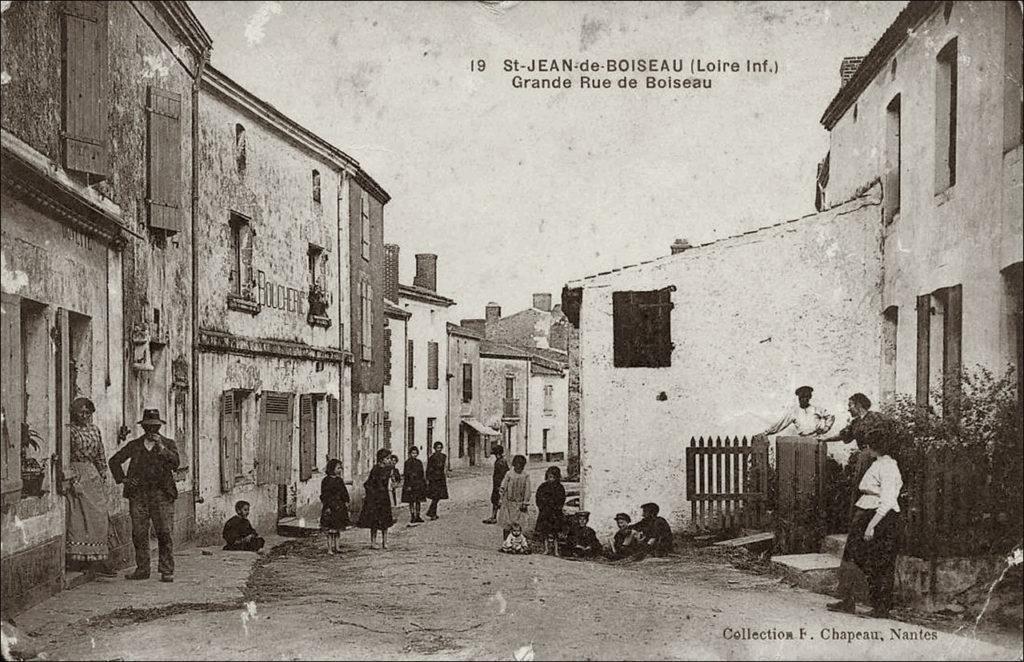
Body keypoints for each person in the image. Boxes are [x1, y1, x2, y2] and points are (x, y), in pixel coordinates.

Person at [827, 427, 902, 617]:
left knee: (879, 561)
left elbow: (888, 500)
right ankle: (847, 599)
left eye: (868, 445)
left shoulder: (888, 467)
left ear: (873, 446)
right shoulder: (878, 464)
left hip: (879, 517)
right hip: (866, 513)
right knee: (852, 557)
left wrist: (871, 525)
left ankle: (881, 607)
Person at [109, 408, 180, 582]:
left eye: (155, 427)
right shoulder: (135, 445)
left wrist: (162, 448)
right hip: (139, 495)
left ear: (159, 427)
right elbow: (114, 461)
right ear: (143, 427)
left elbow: (176, 463)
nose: (151, 431)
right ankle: (142, 569)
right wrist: (124, 480)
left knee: (164, 532)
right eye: (148, 427)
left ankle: (166, 570)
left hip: (161, 494)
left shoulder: (168, 444)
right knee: (139, 533)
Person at [820, 393, 894, 517]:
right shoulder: (856, 423)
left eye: (850, 405)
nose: (848, 409)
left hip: (877, 458)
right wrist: (824, 439)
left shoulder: (877, 418)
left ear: (858, 404)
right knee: (861, 488)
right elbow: (843, 435)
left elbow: (889, 433)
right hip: (864, 459)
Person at [66, 397, 115, 576]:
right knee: (79, 518)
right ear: (74, 413)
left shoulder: (95, 430)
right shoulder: (70, 431)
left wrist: (103, 473)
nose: (84, 416)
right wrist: (72, 480)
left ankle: (99, 558)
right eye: (81, 412)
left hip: (92, 474)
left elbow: (100, 453)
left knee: (100, 515)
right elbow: (67, 457)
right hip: (77, 474)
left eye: (88, 412)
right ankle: (79, 559)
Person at [356, 449, 395, 549]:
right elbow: (369, 484)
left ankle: (385, 542)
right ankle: (373, 542)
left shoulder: (388, 469)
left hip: (384, 498)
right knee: (374, 522)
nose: (389, 460)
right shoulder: (375, 470)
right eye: (387, 458)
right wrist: (372, 495)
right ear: (381, 459)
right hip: (376, 499)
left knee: (385, 522)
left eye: (389, 458)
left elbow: (392, 482)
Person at [762, 385, 835, 437]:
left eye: (806, 397)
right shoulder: (794, 412)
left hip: (817, 438)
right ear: (798, 398)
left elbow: (831, 416)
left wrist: (826, 427)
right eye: (801, 398)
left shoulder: (816, 409)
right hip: (802, 440)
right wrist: (766, 432)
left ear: (809, 398)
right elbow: (780, 424)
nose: (803, 400)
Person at [320, 459, 350, 554]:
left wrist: (346, 501)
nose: (340, 470)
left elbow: (344, 492)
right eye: (338, 468)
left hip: (339, 507)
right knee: (330, 530)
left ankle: (337, 547)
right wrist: (327, 506)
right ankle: (329, 549)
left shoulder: (339, 480)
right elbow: (324, 494)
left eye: (340, 468)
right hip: (330, 507)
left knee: (337, 529)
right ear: (332, 468)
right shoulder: (326, 481)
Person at [497, 455, 531, 540]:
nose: (518, 468)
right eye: (517, 465)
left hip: (519, 503)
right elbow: (503, 486)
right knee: (507, 523)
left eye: (521, 466)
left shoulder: (525, 475)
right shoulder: (509, 474)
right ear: (514, 465)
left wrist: (525, 502)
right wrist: (501, 498)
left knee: (519, 523)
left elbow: (527, 490)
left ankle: (517, 543)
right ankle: (506, 542)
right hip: (508, 502)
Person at [534, 466, 566, 556]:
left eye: (553, 477)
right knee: (545, 532)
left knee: (555, 532)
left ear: (557, 477)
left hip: (555, 513)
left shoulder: (560, 487)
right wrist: (541, 507)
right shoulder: (543, 487)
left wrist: (558, 507)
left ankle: (556, 550)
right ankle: (546, 549)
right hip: (545, 512)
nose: (551, 479)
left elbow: (562, 499)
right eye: (549, 477)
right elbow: (538, 497)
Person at [483, 443, 510, 524]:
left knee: (497, 500)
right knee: (496, 500)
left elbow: (503, 474)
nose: (495, 455)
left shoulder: (500, 462)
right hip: (498, 484)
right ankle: (495, 516)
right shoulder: (502, 461)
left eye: (495, 454)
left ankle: (495, 517)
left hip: (499, 484)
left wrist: (500, 485)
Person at [401, 446, 426, 525]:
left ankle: (418, 515)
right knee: (411, 501)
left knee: (418, 501)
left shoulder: (419, 462)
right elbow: (406, 474)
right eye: (412, 453)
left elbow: (421, 473)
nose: (414, 455)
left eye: (415, 453)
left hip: (418, 484)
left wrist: (423, 483)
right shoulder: (407, 463)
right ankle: (412, 516)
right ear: (410, 454)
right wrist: (408, 485)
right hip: (410, 484)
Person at [425, 442, 449, 520]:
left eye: (440, 448)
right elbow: (428, 469)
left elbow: (445, 467)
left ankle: (432, 512)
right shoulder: (432, 458)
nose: (439, 449)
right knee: (435, 496)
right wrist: (428, 479)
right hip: (434, 479)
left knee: (438, 496)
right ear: (434, 448)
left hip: (441, 478)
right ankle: (432, 513)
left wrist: (445, 475)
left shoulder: (443, 456)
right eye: (437, 448)